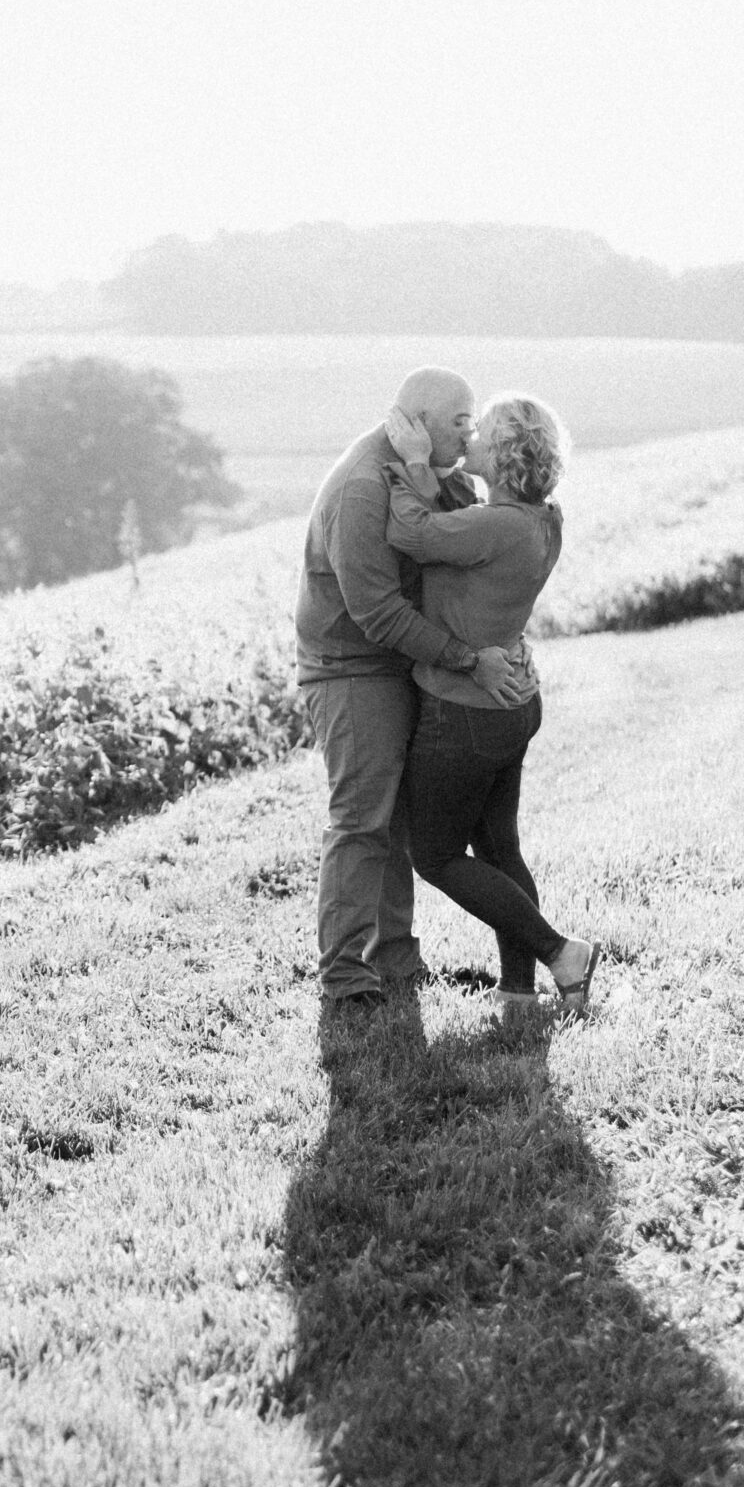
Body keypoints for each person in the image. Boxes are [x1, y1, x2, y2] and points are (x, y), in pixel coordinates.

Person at [296, 367, 535, 1038]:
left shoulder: (412, 466)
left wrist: (427, 470)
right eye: (460, 420)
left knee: (400, 822)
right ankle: (345, 978)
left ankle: (397, 963)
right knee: (362, 820)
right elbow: (375, 611)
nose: (473, 430)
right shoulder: (363, 487)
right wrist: (467, 658)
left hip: (402, 661)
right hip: (351, 668)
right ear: (421, 422)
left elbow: (462, 524)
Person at [382, 394, 598, 1014]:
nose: (469, 434)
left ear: (502, 455)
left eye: (482, 431)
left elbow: (411, 533)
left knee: (439, 855)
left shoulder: (494, 525)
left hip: (465, 711)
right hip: (511, 705)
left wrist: (415, 466)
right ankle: (519, 991)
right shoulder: (540, 519)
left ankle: (561, 952)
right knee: (500, 850)